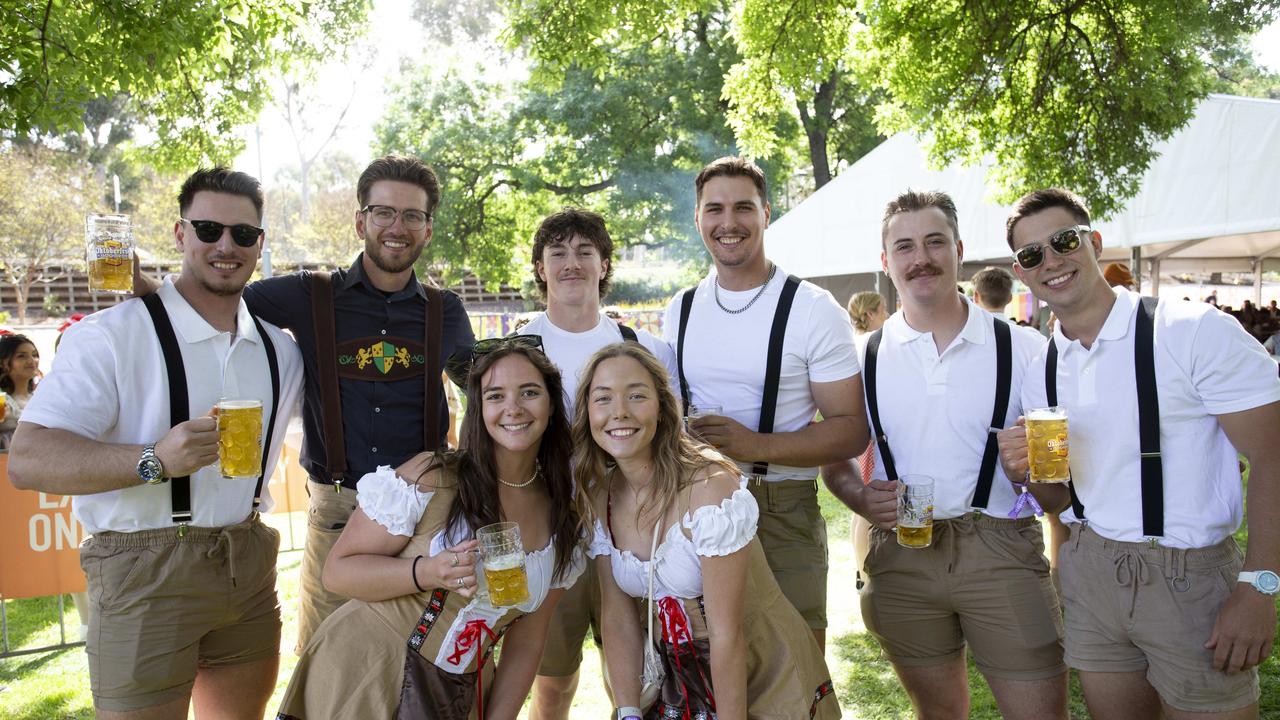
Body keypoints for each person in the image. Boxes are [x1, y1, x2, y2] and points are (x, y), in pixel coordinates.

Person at [137, 155, 478, 651]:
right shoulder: (307, 294)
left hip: (421, 511)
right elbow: (208, 298)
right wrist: (136, 283)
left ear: (428, 229)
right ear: (361, 220)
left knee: (416, 665)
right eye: (384, 212)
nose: (396, 227)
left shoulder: (445, 310)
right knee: (325, 660)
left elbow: (488, 391)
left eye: (412, 216)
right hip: (336, 512)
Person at [8, 168, 304, 719]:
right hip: (144, 567)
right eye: (209, 228)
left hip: (248, 561)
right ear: (179, 233)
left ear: (260, 244)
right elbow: (27, 460)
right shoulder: (110, 335)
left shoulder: (279, 352)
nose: (226, 245)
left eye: (244, 234)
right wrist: (154, 460)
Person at [1001, 188, 1280, 720]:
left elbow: (1275, 459)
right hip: (1089, 567)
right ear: (1022, 272)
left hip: (1189, 578)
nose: (1051, 261)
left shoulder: (1192, 331)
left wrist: (1260, 587)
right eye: (1032, 255)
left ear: (1095, 243)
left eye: (1063, 241)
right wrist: (1025, 473)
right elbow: (1057, 499)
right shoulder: (1043, 366)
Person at [822, 190, 1066, 720]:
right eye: (904, 246)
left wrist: (1029, 472)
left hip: (1000, 546)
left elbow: (1059, 487)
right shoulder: (861, 357)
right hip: (903, 554)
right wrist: (861, 499)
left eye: (935, 242)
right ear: (886, 262)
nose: (921, 258)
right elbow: (834, 460)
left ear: (958, 249)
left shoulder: (1021, 348)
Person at [278, 339, 583, 718]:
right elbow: (338, 572)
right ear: (478, 407)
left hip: (461, 691)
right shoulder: (431, 477)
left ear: (552, 405)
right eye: (495, 395)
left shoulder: (562, 518)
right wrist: (428, 571)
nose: (513, 408)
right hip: (370, 667)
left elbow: (528, 638)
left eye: (530, 392)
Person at [664, 156, 868, 651]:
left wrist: (757, 444)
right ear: (697, 219)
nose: (728, 223)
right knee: (706, 664)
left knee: (795, 671)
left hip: (782, 510)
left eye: (742, 208)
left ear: (766, 213)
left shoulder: (813, 309)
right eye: (714, 209)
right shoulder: (681, 308)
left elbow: (852, 428)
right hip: (693, 507)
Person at [576, 342, 840, 719]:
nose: (619, 412)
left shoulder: (710, 488)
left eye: (636, 396)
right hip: (677, 676)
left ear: (664, 408)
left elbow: (726, 634)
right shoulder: (601, 495)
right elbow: (617, 618)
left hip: (755, 668)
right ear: (587, 412)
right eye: (603, 399)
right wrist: (629, 710)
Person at [519, 208, 678, 719]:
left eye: (585, 252)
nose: (572, 264)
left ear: (604, 264)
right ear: (541, 267)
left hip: (630, 533)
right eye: (558, 253)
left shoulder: (644, 348)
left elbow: (674, 441)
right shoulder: (517, 349)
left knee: (640, 679)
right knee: (551, 681)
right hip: (550, 534)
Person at [0, 333, 40, 449]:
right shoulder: (3, 400)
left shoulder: (39, 397)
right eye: (21, 356)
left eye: (34, 355)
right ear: (3, 362)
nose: (31, 360)